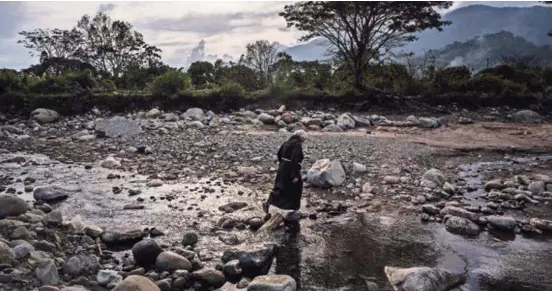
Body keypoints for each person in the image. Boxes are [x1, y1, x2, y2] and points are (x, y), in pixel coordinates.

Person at [263, 130, 307, 216]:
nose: (303, 142)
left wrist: (282, 164)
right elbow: (295, 159)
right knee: (297, 187)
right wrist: (295, 175)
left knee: (280, 186)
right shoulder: (297, 144)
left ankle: (268, 202)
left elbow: (279, 154)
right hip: (291, 168)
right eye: (304, 140)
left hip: (282, 166)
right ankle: (295, 208)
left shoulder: (286, 142)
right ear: (301, 138)